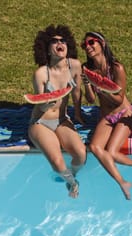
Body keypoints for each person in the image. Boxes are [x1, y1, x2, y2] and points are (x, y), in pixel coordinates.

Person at [81, 31, 132, 200]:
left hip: (124, 114)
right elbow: (91, 99)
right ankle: (122, 181)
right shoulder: (88, 69)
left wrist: (101, 87)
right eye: (84, 45)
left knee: (113, 152)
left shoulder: (117, 68)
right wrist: (88, 85)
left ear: (102, 43)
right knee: (95, 148)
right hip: (106, 116)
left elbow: (119, 99)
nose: (88, 47)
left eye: (91, 42)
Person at [28, 25, 87, 198]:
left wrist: (77, 113)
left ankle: (70, 175)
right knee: (57, 163)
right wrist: (48, 102)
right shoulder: (41, 74)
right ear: (46, 49)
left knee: (81, 155)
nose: (59, 43)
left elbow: (76, 93)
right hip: (40, 123)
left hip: (62, 119)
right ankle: (72, 183)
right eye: (54, 41)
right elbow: (40, 105)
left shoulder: (75, 66)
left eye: (63, 41)